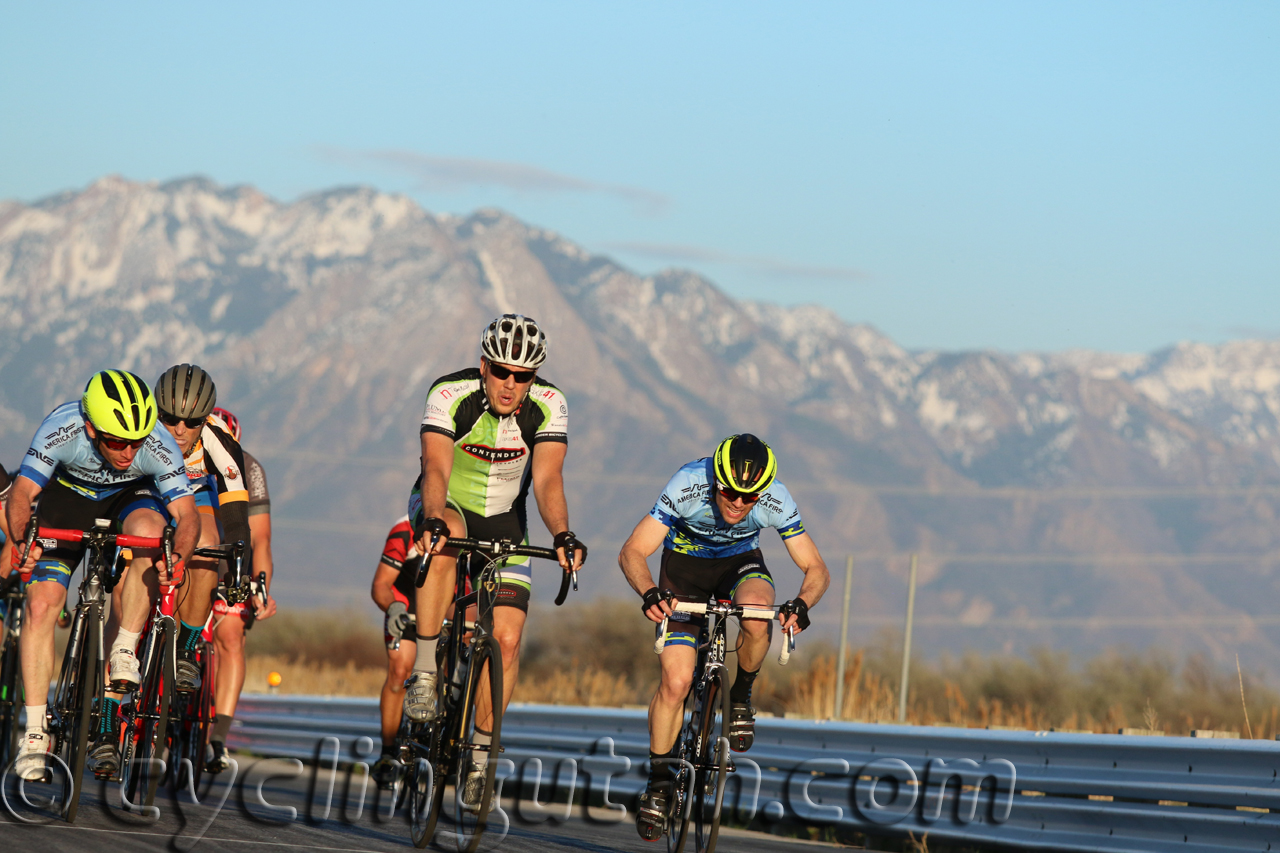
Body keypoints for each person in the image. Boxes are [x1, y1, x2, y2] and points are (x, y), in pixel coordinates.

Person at [407, 313, 586, 808]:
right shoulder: (449, 394)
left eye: (523, 375)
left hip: (508, 521)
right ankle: (424, 670)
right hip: (447, 507)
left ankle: (481, 758)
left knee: (506, 640)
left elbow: (549, 480)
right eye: (502, 371)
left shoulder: (550, 406)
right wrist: (435, 520)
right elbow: (436, 465)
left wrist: (563, 534)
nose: (511, 384)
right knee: (449, 538)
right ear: (484, 365)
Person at [617, 433, 829, 841]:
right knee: (677, 681)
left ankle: (741, 697)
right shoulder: (687, 484)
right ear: (715, 480)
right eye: (729, 492)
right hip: (683, 569)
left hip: (740, 565)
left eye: (749, 498)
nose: (737, 503)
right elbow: (632, 550)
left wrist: (801, 604)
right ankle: (660, 782)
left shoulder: (776, 498)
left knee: (755, 616)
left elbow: (816, 568)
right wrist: (648, 593)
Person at [7, 370, 199, 780]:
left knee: (151, 535)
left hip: (130, 501)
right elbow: (22, 493)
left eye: (136, 441)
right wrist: (25, 542)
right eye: (115, 441)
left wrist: (178, 557)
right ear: (91, 429)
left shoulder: (157, 445)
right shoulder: (62, 427)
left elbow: (187, 515)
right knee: (42, 606)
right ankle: (37, 731)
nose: (128, 452)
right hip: (68, 498)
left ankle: (124, 646)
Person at [205, 405, 276, 772]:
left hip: (231, 566)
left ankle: (219, 736)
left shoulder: (250, 469)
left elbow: (260, 539)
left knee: (231, 636)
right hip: (191, 557)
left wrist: (259, 586)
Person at [369, 514, 420, 789]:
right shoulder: (404, 530)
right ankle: (388, 753)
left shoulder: (467, 524)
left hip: (444, 607)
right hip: (404, 606)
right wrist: (394, 609)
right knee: (401, 671)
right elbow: (380, 586)